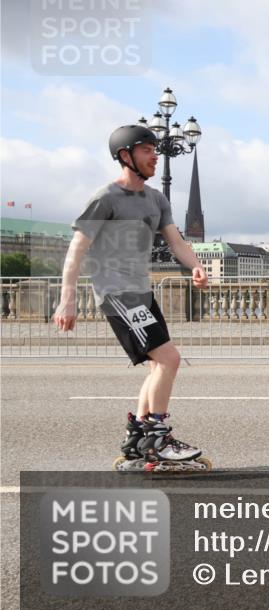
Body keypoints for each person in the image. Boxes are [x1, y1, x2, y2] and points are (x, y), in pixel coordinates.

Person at [53, 125, 210, 469]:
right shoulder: (105, 197)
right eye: (146, 150)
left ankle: (139, 438)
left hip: (142, 292)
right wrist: (67, 299)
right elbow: (77, 248)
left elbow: (176, 242)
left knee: (158, 364)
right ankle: (157, 436)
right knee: (169, 359)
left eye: (156, 149)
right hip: (117, 293)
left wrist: (196, 265)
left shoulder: (156, 199)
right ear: (126, 156)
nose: (156, 155)